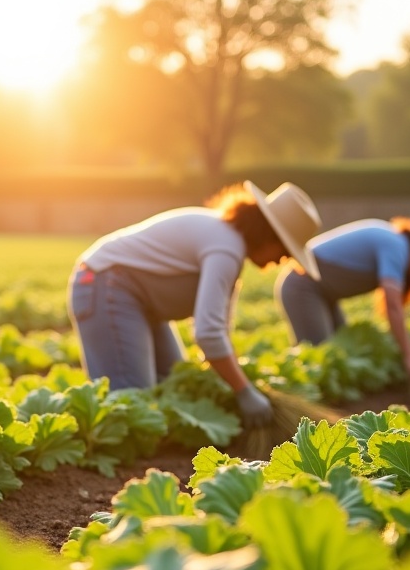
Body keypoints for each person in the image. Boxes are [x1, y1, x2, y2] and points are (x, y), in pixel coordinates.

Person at [68, 181, 321, 428]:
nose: (281, 260)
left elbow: (219, 329)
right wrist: (243, 390)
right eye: (285, 250)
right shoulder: (226, 247)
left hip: (139, 303)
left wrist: (234, 380)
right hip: (103, 285)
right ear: (268, 234)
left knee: (175, 384)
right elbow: (208, 334)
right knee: (132, 408)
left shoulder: (227, 241)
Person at [274, 217, 410, 382]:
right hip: (302, 287)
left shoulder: (393, 240)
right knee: (320, 359)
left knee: (339, 352)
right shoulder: (397, 246)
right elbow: (393, 306)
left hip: (323, 295)